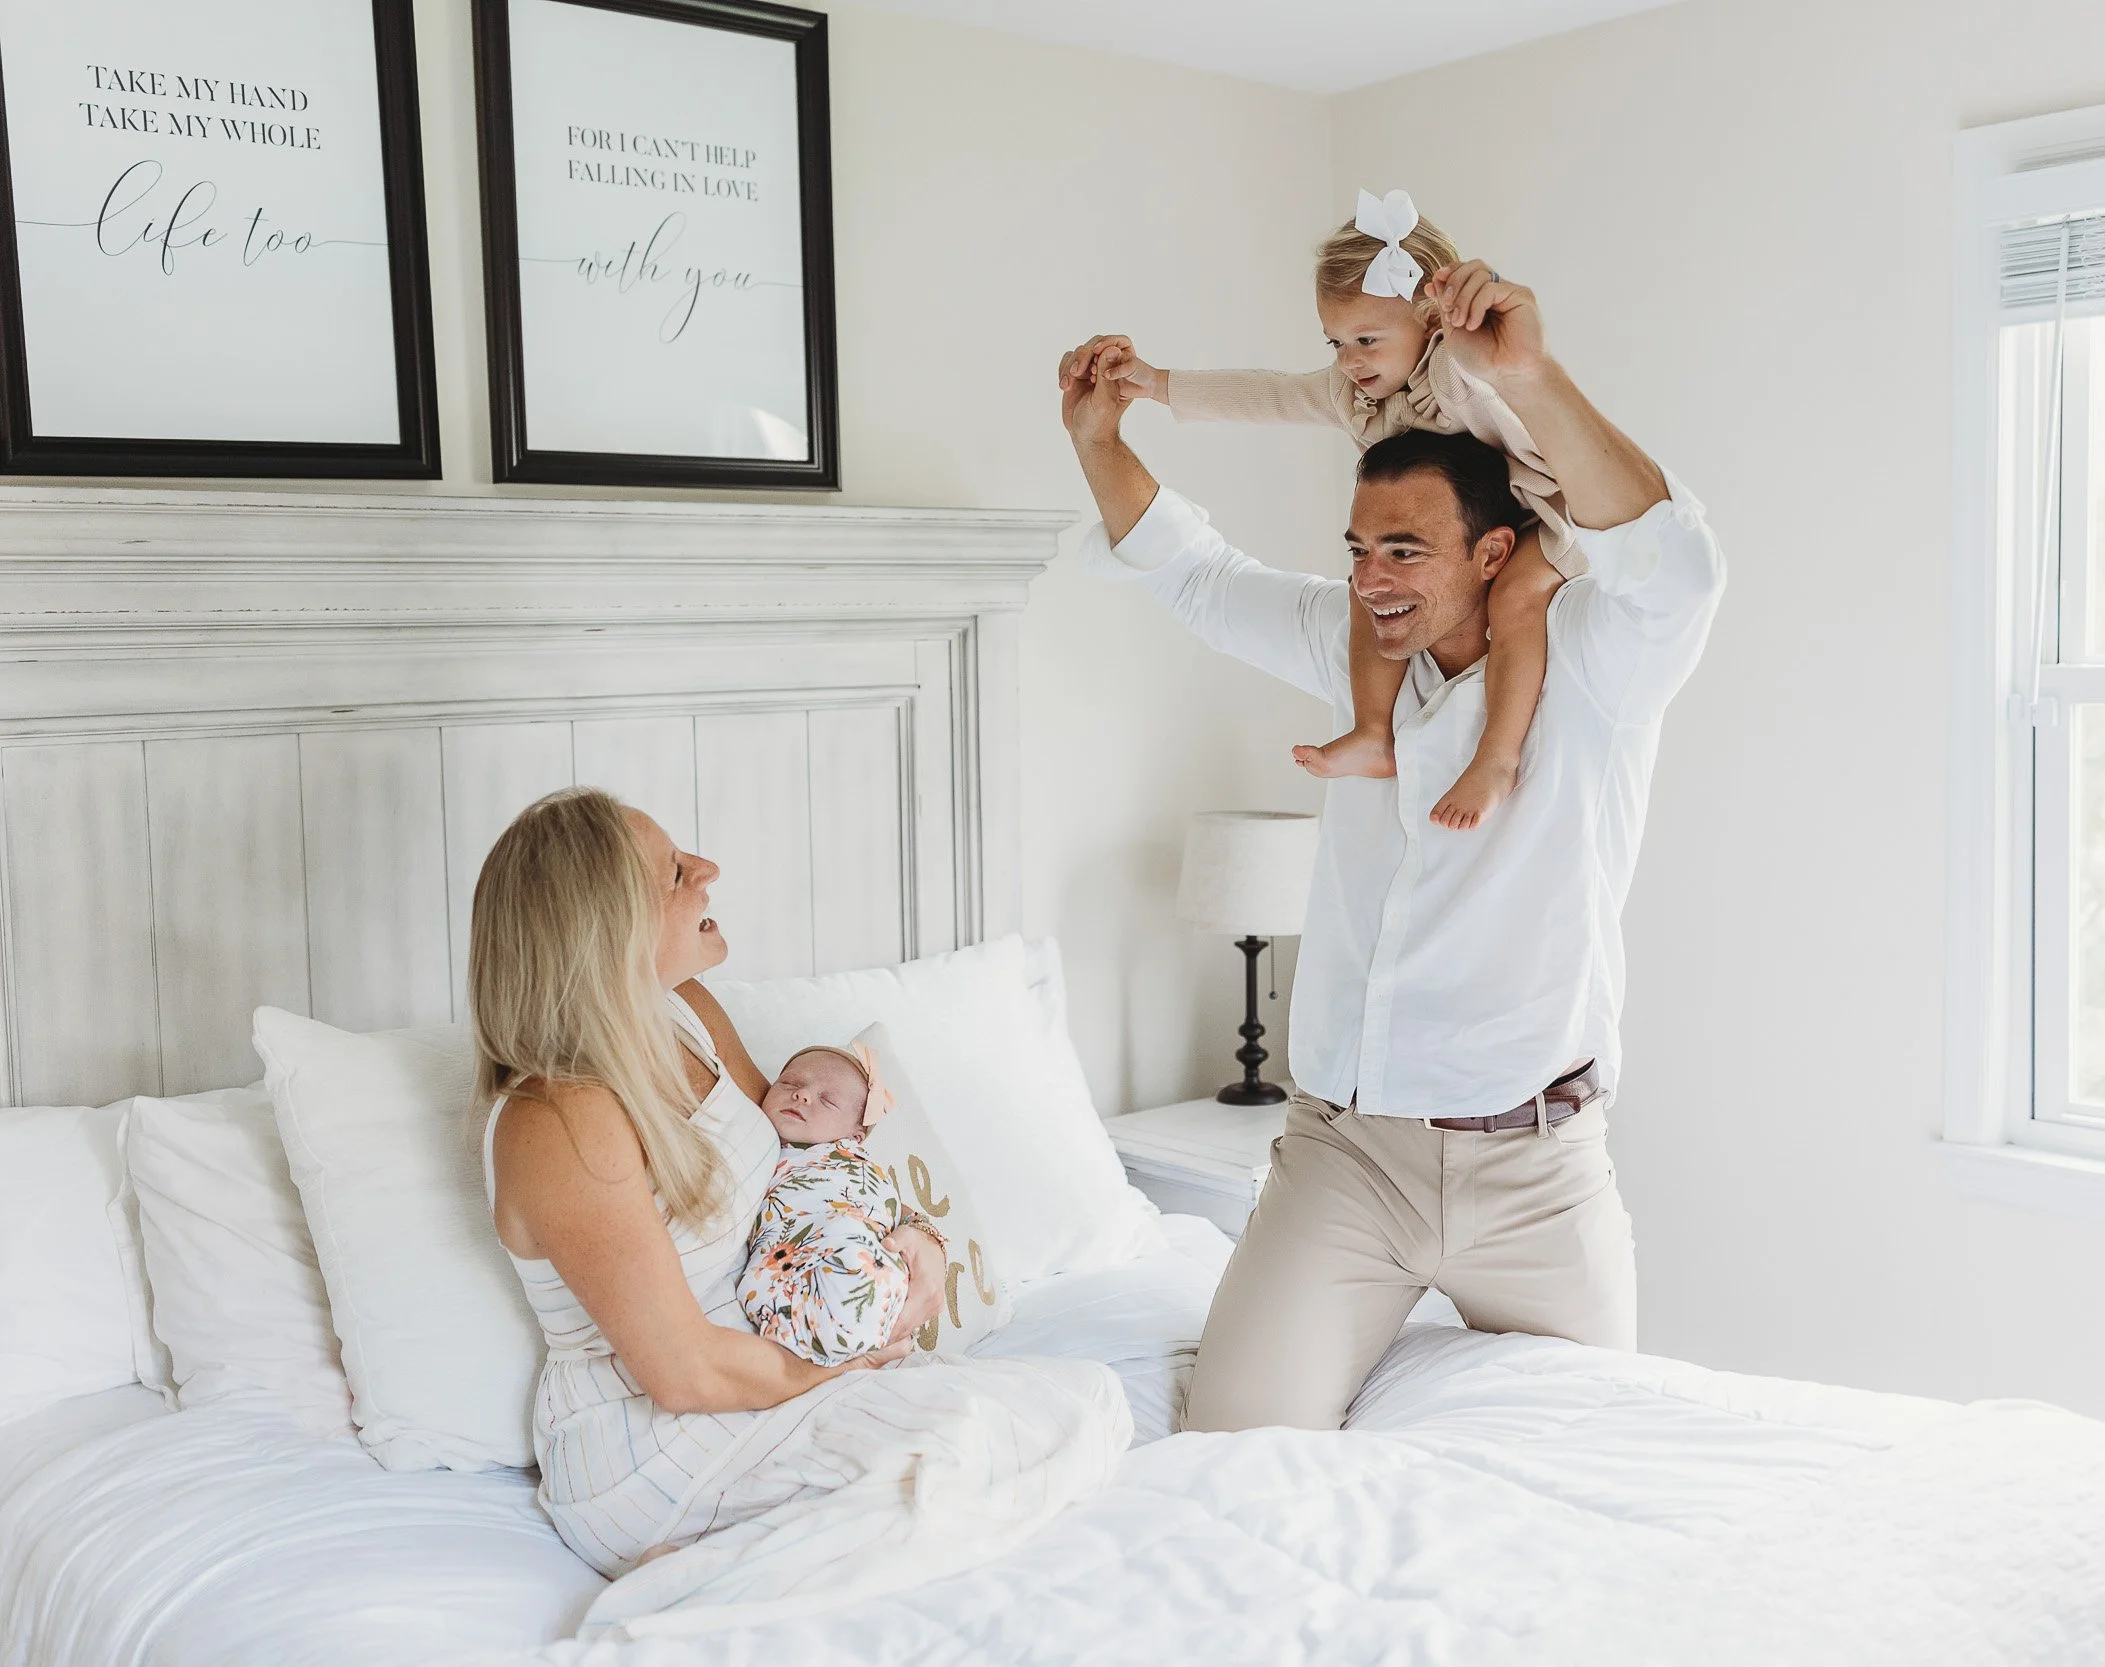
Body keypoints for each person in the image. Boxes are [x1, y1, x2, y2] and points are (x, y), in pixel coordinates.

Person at [1057, 262, 1726, 1433]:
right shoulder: (1350, 642)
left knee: (1594, 1459)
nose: (1369, 578)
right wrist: (1098, 437)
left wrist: (1529, 373)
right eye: (1358, 547)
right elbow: (1201, 578)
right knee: (1233, 1441)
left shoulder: (1598, 669)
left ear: (1495, 553)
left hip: (1535, 1173)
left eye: (1405, 550)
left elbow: (1678, 565)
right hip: (1342, 1159)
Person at [473, 787, 1125, 1628]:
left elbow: (803, 1166)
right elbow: (684, 1372)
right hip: (659, 1444)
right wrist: (854, 1361)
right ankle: (683, 1589)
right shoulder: (559, 1120)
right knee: (998, 1441)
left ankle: (775, 1556)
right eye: (676, 872)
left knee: (1087, 1407)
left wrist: (912, 1238)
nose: (708, 871)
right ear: (611, 930)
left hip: (779, 1359)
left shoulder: (686, 1015)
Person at [1077, 188, 1574, 831]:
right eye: (1335, 341)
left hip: (1542, 518)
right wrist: (1157, 383)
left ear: (1432, 321)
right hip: (1477, 528)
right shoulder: (1353, 392)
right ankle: (1374, 729)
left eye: (1366, 339)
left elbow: (1531, 397)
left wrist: (1484, 324)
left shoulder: (1460, 372)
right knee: (1366, 594)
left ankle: (1498, 758)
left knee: (1516, 602)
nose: (1349, 360)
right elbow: (1271, 395)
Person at [739, 1042, 932, 1367]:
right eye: (790, 1084)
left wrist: (922, 1233)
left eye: (827, 1100)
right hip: (800, 1274)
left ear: (855, 1137)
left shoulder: (857, 1164)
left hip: (873, 1277)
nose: (801, 1095)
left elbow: (897, 1212)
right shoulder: (755, 1144)